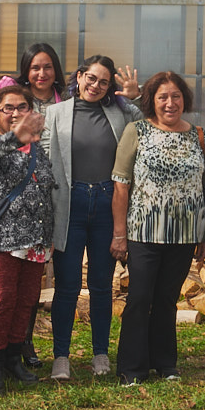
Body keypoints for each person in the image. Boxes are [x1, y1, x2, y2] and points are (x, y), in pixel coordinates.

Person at [41, 54, 141, 382]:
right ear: (80, 76)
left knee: (101, 284)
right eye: (92, 78)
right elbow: (42, 159)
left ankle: (100, 352)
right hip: (69, 202)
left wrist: (134, 95)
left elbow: (146, 122)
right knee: (67, 285)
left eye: (104, 82)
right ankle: (61, 357)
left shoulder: (119, 113)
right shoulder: (55, 113)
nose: (96, 86)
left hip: (106, 203)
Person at [111, 71, 205, 385]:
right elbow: (121, 186)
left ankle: (165, 364)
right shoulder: (136, 131)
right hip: (143, 232)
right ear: (151, 100)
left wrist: (203, 233)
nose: (170, 103)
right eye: (163, 97)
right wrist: (119, 234)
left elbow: (202, 187)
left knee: (167, 299)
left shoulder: (197, 135)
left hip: (184, 234)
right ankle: (131, 367)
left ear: (185, 99)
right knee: (140, 297)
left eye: (176, 96)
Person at [0, 85, 55, 395]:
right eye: (8, 108)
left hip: (35, 241)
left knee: (25, 301)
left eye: (22, 107)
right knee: (1, 301)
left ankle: (12, 358)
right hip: (0, 241)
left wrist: (48, 237)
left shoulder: (38, 150)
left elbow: (46, 192)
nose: (16, 113)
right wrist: (17, 135)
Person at [0, 42, 68, 115]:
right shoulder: (13, 92)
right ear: (26, 70)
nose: (42, 74)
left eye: (47, 67)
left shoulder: (67, 100)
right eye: (35, 68)